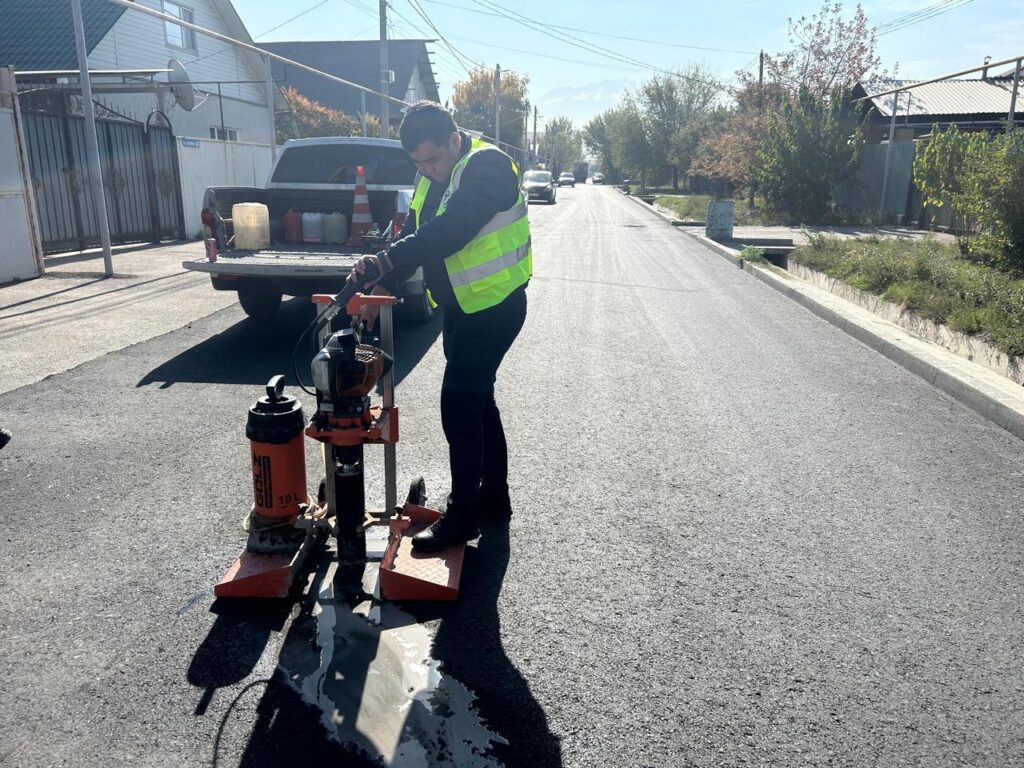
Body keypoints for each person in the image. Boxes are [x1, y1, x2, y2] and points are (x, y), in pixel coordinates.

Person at [348, 101, 531, 553]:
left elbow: (453, 229)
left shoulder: (488, 166)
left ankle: (464, 517)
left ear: (454, 139)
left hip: (494, 308)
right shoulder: (431, 178)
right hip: (464, 309)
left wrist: (384, 260)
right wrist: (377, 284)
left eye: (432, 159)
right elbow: (414, 233)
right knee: (478, 403)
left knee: (459, 406)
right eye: (418, 163)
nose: (427, 169)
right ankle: (494, 500)